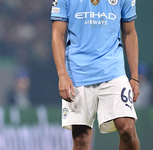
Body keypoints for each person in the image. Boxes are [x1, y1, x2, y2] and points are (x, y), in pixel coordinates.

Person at [51, 0, 140, 149]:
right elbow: (57, 34)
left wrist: (135, 77)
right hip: (78, 72)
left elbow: (130, 32)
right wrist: (62, 76)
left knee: (128, 129)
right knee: (81, 138)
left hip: (113, 70)